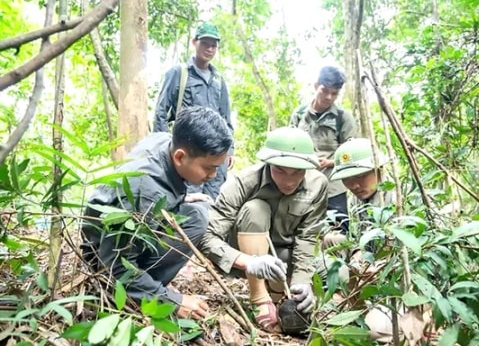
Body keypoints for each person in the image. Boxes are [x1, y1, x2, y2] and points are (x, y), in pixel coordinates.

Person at [81, 106, 233, 320]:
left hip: (127, 227)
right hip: (102, 255)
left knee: (201, 210)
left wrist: (180, 198)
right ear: (180, 157)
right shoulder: (145, 193)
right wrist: (171, 300)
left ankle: (148, 285)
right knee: (198, 220)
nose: (213, 175)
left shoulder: (164, 141)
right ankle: (145, 293)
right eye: (208, 168)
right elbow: (114, 268)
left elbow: (161, 184)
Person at [199, 127, 329, 333]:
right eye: (280, 170)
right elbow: (207, 237)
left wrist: (302, 283)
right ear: (268, 164)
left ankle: (285, 296)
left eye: (297, 172)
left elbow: (308, 238)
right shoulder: (243, 182)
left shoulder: (318, 185)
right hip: (243, 258)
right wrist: (249, 262)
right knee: (255, 209)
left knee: (335, 270)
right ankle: (260, 297)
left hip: (286, 255)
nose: (289, 181)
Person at [152, 21, 233, 200]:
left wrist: (230, 151)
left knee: (213, 202)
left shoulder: (219, 80)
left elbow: (226, 119)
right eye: (205, 43)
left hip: (214, 155)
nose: (210, 49)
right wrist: (162, 146)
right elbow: (161, 111)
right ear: (194, 42)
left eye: (214, 45)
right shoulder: (179, 73)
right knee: (185, 201)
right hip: (189, 152)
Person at [289, 66, 357, 233]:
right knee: (302, 230)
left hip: (333, 187)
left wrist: (331, 162)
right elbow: (290, 147)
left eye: (334, 93)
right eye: (324, 91)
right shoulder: (299, 115)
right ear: (315, 86)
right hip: (303, 184)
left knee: (338, 232)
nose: (328, 97)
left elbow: (352, 154)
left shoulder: (343, 117)